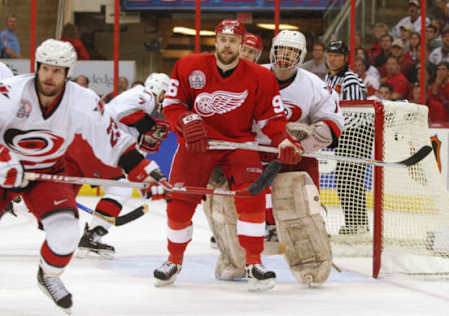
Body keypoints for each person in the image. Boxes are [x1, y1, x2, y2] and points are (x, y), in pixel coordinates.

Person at [0, 39, 166, 313]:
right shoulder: (11, 93)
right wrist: (4, 158)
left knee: (65, 233)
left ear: (67, 72)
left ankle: (49, 276)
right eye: (45, 69)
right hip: (6, 168)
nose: (49, 76)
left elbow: (112, 140)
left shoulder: (83, 100)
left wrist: (143, 169)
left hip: (47, 171)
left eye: (57, 70)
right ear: (37, 67)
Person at [155, 19, 302, 292]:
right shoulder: (189, 66)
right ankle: (173, 260)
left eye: (233, 41)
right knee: (179, 200)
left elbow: (271, 118)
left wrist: (284, 140)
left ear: (241, 44)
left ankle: (254, 263)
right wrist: (186, 121)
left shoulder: (260, 76)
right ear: (216, 40)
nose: (227, 45)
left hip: (238, 144)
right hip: (197, 145)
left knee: (252, 197)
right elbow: (173, 105)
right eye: (222, 39)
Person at [207, 30, 344, 285]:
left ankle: (310, 263)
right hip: (248, 152)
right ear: (272, 51)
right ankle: (234, 261)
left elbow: (333, 121)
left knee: (299, 207)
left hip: (294, 155)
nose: (285, 56)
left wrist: (306, 141)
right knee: (224, 205)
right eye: (281, 50)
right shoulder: (249, 75)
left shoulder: (313, 84)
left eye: (292, 52)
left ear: (301, 56)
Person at [68, 73, 171, 259]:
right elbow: (127, 114)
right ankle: (93, 233)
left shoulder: (140, 100)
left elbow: (128, 129)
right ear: (157, 88)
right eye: (165, 92)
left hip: (95, 145)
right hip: (97, 145)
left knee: (119, 188)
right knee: (120, 189)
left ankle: (92, 234)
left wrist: (146, 136)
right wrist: (151, 127)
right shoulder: (145, 96)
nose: (166, 97)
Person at [325, 39, 371, 234]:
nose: (333, 59)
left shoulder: (350, 79)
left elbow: (354, 112)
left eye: (337, 56)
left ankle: (358, 224)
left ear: (345, 58)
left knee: (350, 179)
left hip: (357, 133)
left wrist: (335, 133)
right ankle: (356, 223)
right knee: (345, 179)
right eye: (330, 55)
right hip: (345, 133)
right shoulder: (328, 78)